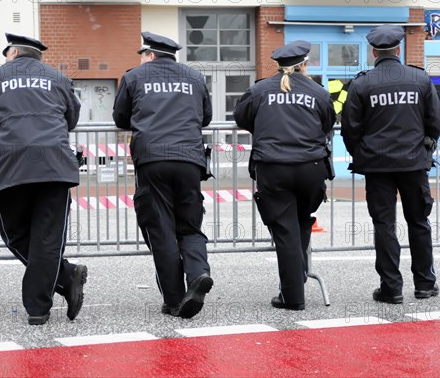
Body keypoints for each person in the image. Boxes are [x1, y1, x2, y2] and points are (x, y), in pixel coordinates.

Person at [0, 33, 87, 325]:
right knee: (48, 238)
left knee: (14, 234)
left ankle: (39, 307)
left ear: (12, 53)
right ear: (36, 55)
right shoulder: (58, 78)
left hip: (9, 166)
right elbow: (71, 119)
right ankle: (64, 276)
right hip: (53, 166)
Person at [113, 32, 213, 319]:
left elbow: (121, 118)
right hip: (189, 159)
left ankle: (173, 300)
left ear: (151, 54)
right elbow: (205, 117)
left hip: (152, 159)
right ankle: (198, 273)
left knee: (161, 229)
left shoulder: (134, 77)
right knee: (190, 225)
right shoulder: (194, 77)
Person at [340, 25, 440, 304]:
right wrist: (426, 144)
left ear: (374, 52)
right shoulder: (419, 79)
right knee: (419, 222)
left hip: (377, 166)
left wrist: (361, 153)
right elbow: (435, 121)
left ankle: (391, 288)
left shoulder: (362, 83)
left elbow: (349, 127)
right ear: (398, 50)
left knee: (384, 225)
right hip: (413, 164)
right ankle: (424, 284)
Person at [234, 41, 336, 310]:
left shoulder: (259, 90)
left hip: (274, 168)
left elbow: (241, 117)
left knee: (285, 229)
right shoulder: (318, 91)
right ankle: (297, 278)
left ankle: (293, 296)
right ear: (304, 64)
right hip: (311, 169)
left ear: (279, 66)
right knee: (301, 222)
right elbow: (328, 123)